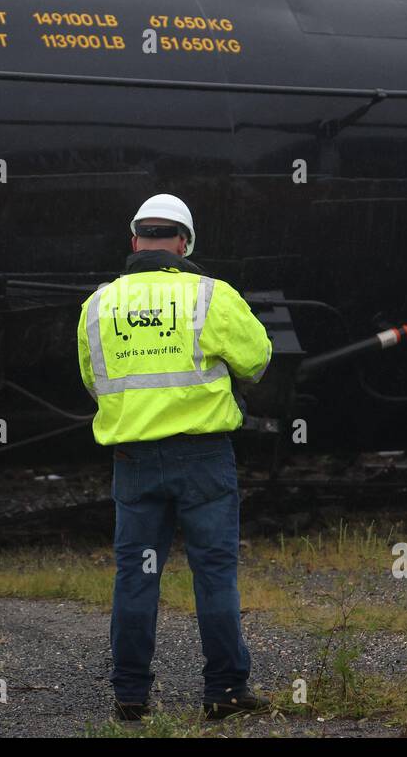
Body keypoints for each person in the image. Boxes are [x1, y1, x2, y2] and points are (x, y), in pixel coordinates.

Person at [76, 192, 274, 721]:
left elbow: (94, 383)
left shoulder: (98, 304)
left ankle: (130, 695)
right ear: (185, 243)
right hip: (203, 458)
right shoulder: (210, 296)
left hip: (133, 462)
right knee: (214, 573)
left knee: (136, 576)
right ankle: (225, 691)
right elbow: (257, 361)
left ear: (135, 240)